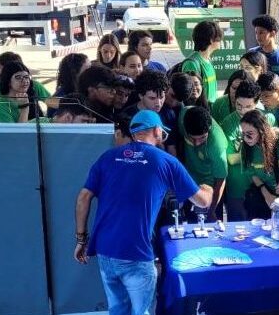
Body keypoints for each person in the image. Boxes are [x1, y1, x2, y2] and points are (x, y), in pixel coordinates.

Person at [74, 110, 213, 315]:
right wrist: (208, 188)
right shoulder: (166, 161)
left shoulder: (108, 157)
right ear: (157, 131)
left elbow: (83, 198)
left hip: (105, 249)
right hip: (136, 252)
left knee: (118, 310)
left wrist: (81, 239)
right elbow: (202, 202)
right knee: (143, 311)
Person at [219, 80, 276, 221]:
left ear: (257, 103)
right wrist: (257, 155)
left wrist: (246, 155)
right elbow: (231, 159)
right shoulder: (228, 123)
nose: (243, 110)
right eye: (239, 105)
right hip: (238, 186)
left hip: (264, 185)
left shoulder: (267, 118)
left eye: (248, 106)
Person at [179, 106, 228, 222]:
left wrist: (212, 210)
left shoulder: (217, 145)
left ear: (209, 129)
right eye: (192, 138)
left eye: (202, 138)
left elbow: (221, 180)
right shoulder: (184, 116)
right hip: (189, 181)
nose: (196, 144)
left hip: (209, 188)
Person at [0, 51, 51, 118]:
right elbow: (1, 115)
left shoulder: (35, 85)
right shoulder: (0, 100)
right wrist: (24, 108)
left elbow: (50, 101)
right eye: (18, 78)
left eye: (0, 67)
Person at [181, 21, 223, 104]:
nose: (221, 41)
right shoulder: (192, 64)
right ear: (211, 40)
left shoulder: (208, 60)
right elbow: (190, 97)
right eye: (219, 38)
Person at [161, 72, 195, 158]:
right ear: (167, 85)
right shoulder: (152, 102)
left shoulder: (181, 109)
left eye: (179, 100)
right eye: (172, 96)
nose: (173, 103)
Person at [48, 53, 91, 117]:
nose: (92, 72)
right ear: (75, 73)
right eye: (87, 69)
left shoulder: (86, 90)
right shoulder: (60, 97)